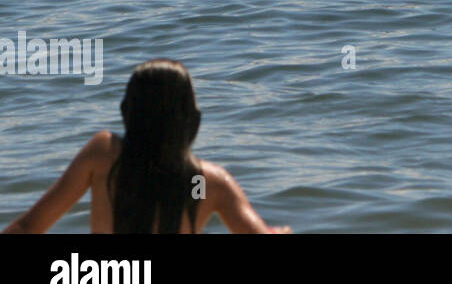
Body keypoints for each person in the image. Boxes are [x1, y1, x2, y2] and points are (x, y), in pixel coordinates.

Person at [3, 60, 288, 234]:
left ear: (126, 111)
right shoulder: (206, 182)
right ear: (194, 121)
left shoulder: (102, 156)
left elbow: (28, 228)